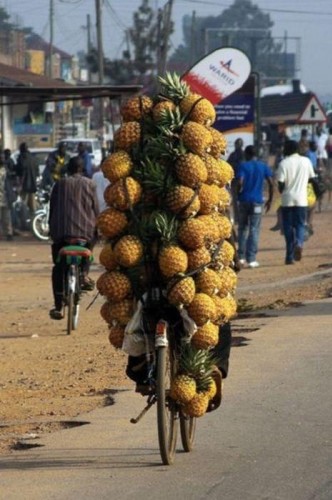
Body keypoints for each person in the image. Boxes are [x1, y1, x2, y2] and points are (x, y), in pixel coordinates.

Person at [48, 156, 99, 320]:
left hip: (61, 234)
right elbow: (96, 210)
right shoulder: (90, 184)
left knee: (57, 266)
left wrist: (52, 230)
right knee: (91, 243)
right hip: (85, 234)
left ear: (68, 169)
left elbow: (52, 209)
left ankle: (58, 305)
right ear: (81, 169)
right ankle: (83, 274)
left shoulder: (60, 184)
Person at [276, 140, 316, 265]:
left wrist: (284, 189)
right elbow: (312, 180)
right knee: (299, 225)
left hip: (287, 200)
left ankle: (289, 256)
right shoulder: (306, 161)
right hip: (301, 199)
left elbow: (281, 185)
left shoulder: (283, 163)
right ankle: (299, 243)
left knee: (288, 227)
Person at [236, 145, 273, 268]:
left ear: (246, 154)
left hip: (244, 201)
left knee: (242, 228)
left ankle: (241, 257)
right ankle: (251, 259)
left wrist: (238, 195)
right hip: (257, 201)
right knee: (254, 229)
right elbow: (271, 183)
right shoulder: (263, 166)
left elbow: (240, 182)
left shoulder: (243, 166)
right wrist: (270, 200)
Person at [15, 142, 39, 214]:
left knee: (23, 204)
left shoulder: (21, 158)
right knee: (32, 205)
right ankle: (33, 221)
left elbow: (20, 171)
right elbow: (36, 170)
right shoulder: (32, 158)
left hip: (24, 184)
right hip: (32, 184)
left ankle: (24, 221)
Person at [227, 138, 244, 224]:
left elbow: (228, 166)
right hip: (240, 181)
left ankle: (238, 219)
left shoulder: (233, 155)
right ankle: (240, 218)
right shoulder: (244, 155)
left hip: (236, 181)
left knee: (236, 200)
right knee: (240, 200)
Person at [0, 150, 15, 241]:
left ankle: (9, 233)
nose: (2, 160)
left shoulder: (6, 170)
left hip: (5, 196)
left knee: (7, 216)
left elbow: (10, 182)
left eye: (3, 158)